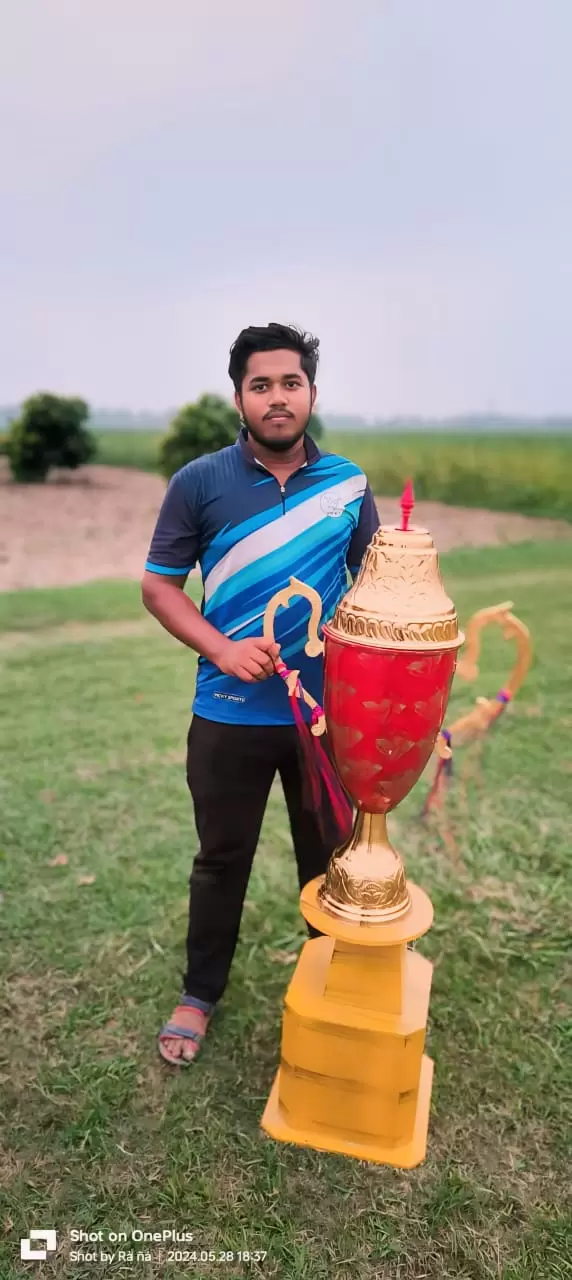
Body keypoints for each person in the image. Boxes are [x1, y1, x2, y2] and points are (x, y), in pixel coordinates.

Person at [142, 322, 380, 1065]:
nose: (277, 397)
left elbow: (375, 588)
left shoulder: (348, 483)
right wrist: (221, 648)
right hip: (228, 713)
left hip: (323, 718)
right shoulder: (199, 482)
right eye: (261, 385)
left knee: (329, 858)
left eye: (290, 383)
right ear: (239, 398)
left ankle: (333, 983)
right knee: (221, 858)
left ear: (312, 392)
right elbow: (159, 586)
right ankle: (199, 993)